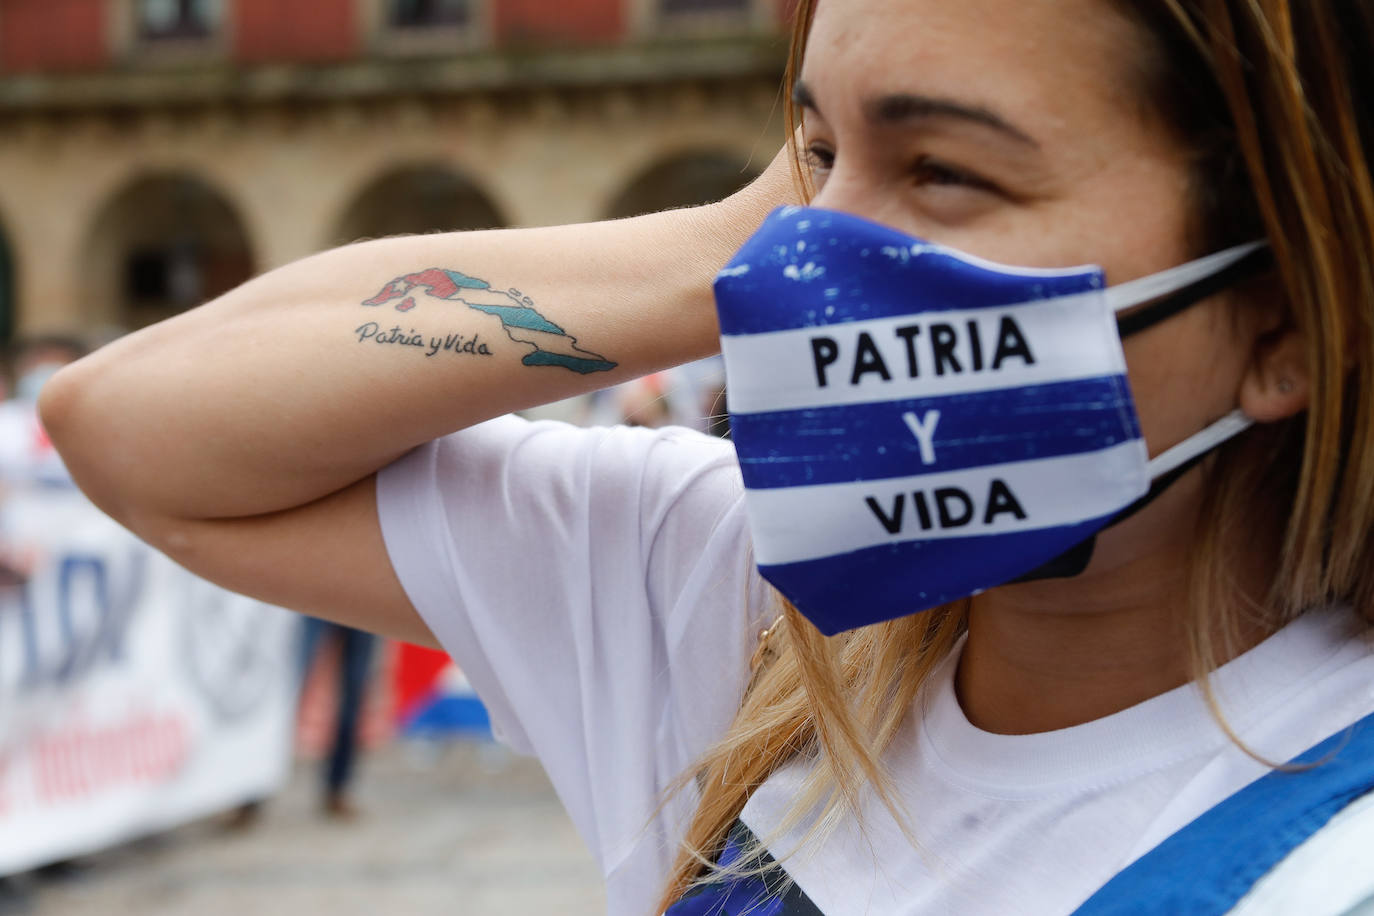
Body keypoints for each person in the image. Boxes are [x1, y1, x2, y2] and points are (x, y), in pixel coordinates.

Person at [35, 1, 1374, 913]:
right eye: (817, 152)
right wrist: (732, 244)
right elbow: (135, 423)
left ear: (1286, 316)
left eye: (947, 172)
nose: (805, 265)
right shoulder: (736, 606)